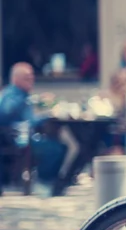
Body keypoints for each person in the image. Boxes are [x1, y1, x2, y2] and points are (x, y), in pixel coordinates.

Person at [0, 62, 76, 194]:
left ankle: (50, 183)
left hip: (25, 137)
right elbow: (6, 113)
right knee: (56, 149)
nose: (31, 80)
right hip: (18, 140)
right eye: (26, 77)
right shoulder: (12, 95)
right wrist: (47, 115)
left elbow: (30, 120)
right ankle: (44, 183)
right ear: (15, 79)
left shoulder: (23, 95)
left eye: (32, 76)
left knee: (60, 145)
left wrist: (43, 108)